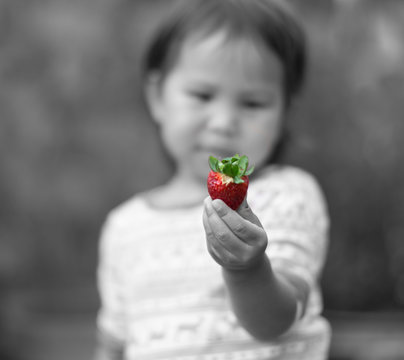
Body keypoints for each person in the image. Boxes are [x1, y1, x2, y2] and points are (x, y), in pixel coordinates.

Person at [95, 0, 331, 359]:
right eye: (202, 96)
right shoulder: (123, 227)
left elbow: (277, 320)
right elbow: (112, 344)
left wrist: (247, 269)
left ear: (285, 113)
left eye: (252, 103)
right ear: (158, 97)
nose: (223, 122)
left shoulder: (288, 196)